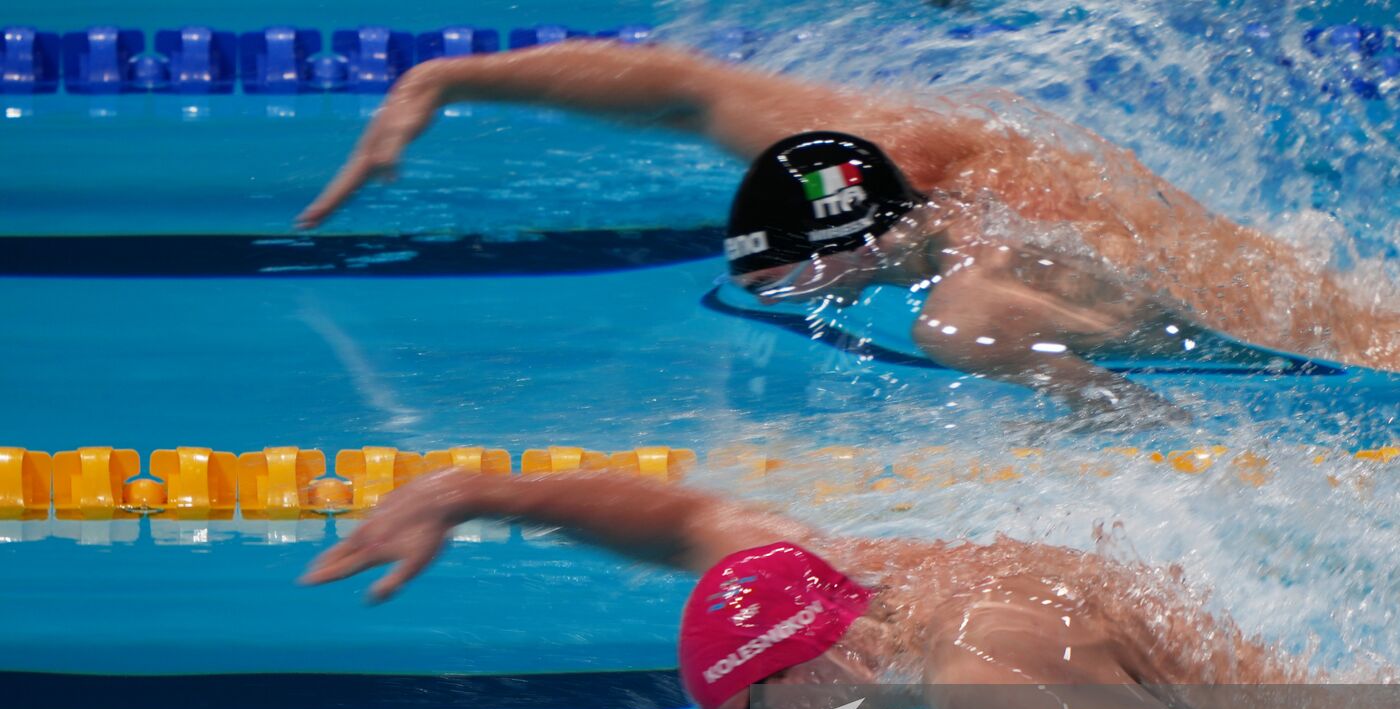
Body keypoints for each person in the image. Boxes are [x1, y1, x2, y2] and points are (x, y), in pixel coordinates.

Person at [300, 467, 1393, 709]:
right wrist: (471, 491)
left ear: (805, 670)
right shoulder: (865, 581)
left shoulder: (978, 685)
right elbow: (685, 520)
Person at [295, 40, 1399, 417]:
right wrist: (448, 76)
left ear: (866, 240)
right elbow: (678, 88)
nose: (829, 299)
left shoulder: (967, 312)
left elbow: (1150, 434)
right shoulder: (919, 149)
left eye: (823, 279)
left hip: (1363, 363)